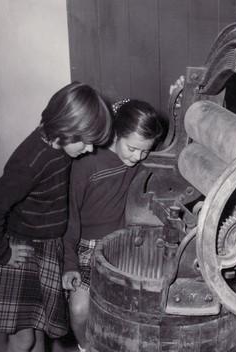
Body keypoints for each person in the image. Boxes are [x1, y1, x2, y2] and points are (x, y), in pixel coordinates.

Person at [0, 81, 112, 352]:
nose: (89, 150)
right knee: (24, 338)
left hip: (46, 247)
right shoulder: (32, 160)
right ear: (65, 128)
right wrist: (2, 253)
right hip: (20, 253)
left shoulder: (59, 147)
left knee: (41, 331)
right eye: (85, 142)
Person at [62, 99, 164, 352]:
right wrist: (69, 264)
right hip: (86, 246)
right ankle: (86, 348)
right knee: (79, 309)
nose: (138, 157)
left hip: (125, 243)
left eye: (145, 151)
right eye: (132, 148)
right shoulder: (86, 162)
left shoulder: (138, 159)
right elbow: (70, 217)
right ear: (116, 133)